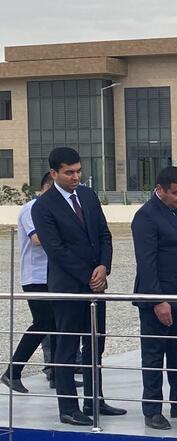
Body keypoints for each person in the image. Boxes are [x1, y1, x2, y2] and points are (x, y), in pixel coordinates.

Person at [31, 147, 126, 425]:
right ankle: (68, 407)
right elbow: (56, 250)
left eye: (78, 171)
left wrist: (103, 267)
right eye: (69, 172)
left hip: (96, 286)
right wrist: (88, 276)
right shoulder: (43, 206)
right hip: (68, 288)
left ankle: (94, 399)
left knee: (95, 344)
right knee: (67, 347)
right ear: (54, 173)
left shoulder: (87, 196)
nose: (76, 177)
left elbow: (104, 235)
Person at [132, 166, 177, 430]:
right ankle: (152, 410)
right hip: (159, 299)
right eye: (176, 193)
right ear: (160, 189)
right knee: (153, 354)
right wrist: (158, 300)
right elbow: (146, 263)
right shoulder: (146, 217)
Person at [2, 174, 55, 393]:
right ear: (48, 186)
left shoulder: (51, 209)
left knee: (57, 325)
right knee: (43, 323)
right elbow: (37, 239)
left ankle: (57, 373)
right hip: (35, 276)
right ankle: (13, 371)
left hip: (53, 276)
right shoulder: (31, 209)